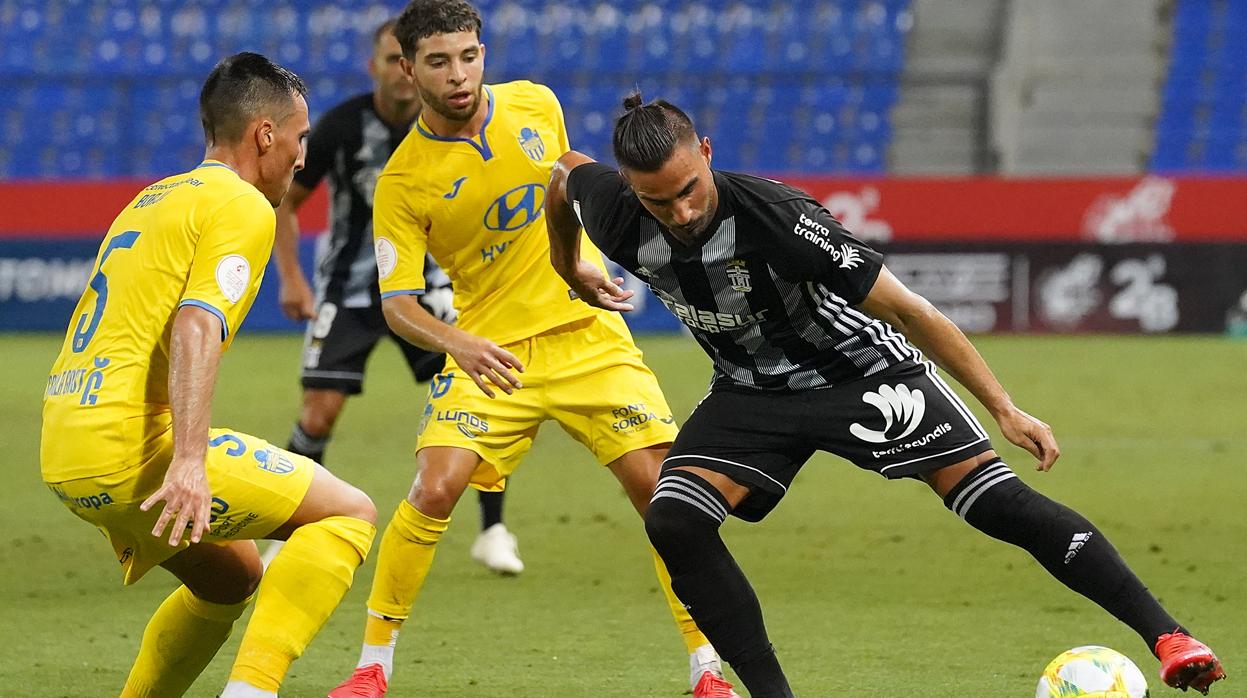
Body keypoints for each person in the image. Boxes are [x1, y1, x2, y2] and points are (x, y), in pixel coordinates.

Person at [545, 93, 1227, 697]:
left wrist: (1003, 408)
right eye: (657, 200)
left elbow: (909, 310)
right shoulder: (611, 208)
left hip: (862, 374)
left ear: (706, 151)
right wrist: (567, 263)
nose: (681, 211)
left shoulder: (779, 218)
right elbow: (560, 173)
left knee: (994, 503)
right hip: (751, 392)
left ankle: (1169, 638)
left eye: (689, 188)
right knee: (673, 519)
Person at [329, 3, 736, 697]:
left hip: (586, 341)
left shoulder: (535, 104)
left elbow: (562, 186)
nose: (458, 75)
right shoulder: (401, 180)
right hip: (492, 354)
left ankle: (707, 670)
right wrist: (458, 341)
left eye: (468, 56)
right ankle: (372, 666)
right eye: (437, 61)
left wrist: (573, 260)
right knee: (433, 489)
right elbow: (398, 305)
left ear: (483, 52)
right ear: (406, 69)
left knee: (663, 499)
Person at [38, 53, 378, 698]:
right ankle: (251, 691)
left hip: (64, 442)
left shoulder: (154, 198)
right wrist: (188, 461)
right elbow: (197, 325)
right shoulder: (243, 205)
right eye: (300, 138)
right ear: (265, 135)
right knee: (347, 514)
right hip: (131, 447)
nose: (304, 157)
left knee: (229, 579)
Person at [270, 17, 521, 575]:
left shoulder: (458, 125)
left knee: (477, 403)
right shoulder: (340, 126)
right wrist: (291, 276)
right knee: (319, 411)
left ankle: (493, 528)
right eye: (390, 61)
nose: (402, 75)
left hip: (429, 288)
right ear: (386, 66)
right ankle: (283, 528)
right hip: (351, 288)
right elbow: (287, 201)